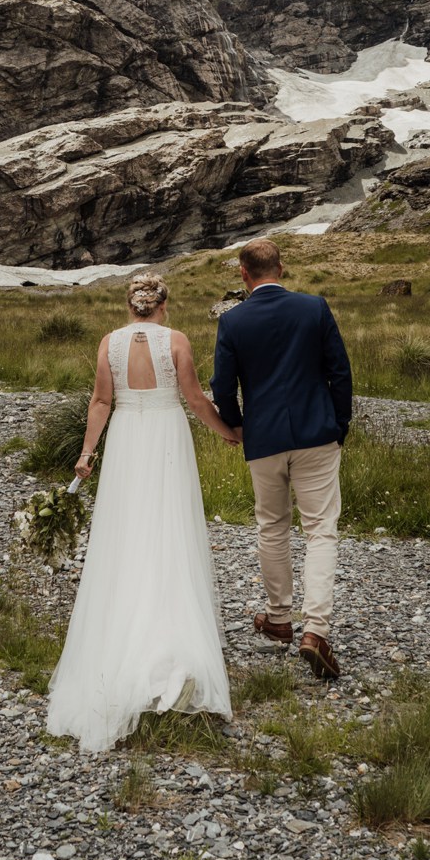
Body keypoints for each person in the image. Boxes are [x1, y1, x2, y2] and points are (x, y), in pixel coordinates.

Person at [45, 271, 240, 752]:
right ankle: (171, 645)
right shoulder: (175, 340)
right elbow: (194, 398)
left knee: (127, 534)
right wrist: (228, 433)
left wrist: (87, 454)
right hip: (166, 438)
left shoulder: (108, 343)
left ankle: (122, 635)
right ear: (162, 304)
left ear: (131, 304)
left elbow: (101, 401)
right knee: (169, 531)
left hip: (129, 439)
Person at [211, 238, 352, 681]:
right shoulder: (314, 307)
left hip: (264, 438)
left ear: (242, 272)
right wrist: (338, 425)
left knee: (272, 526)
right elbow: (340, 371)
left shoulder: (232, 321)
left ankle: (278, 618)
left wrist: (236, 427)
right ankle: (315, 630)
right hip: (317, 434)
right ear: (281, 268)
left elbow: (221, 384)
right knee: (321, 531)